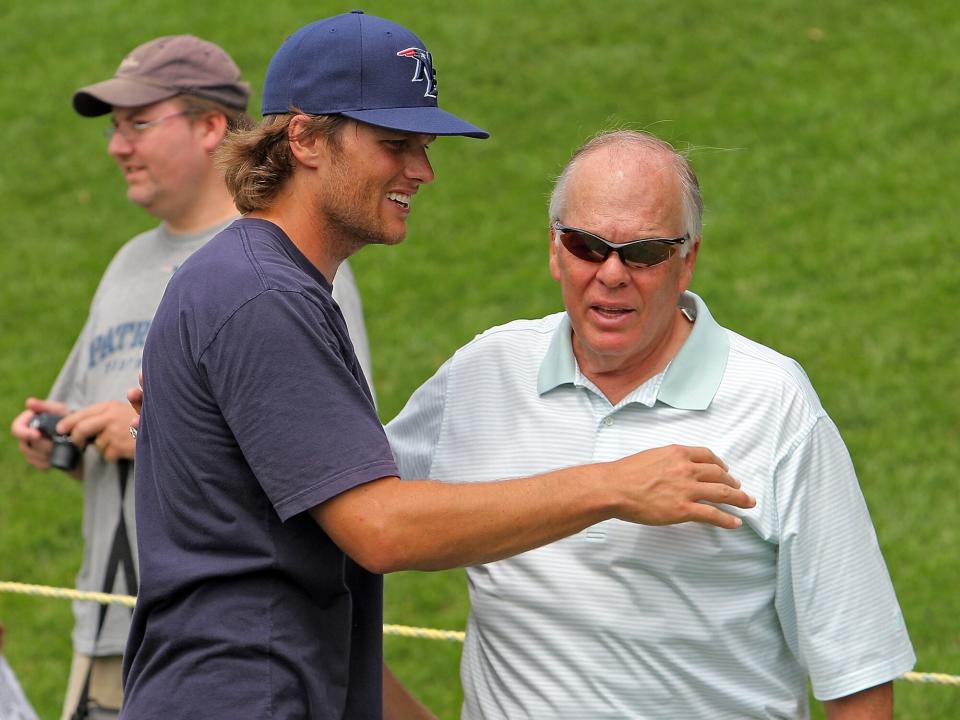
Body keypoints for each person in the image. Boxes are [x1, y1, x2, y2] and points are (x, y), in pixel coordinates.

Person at [120, 12, 755, 720]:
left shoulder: (262, 286)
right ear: (303, 137)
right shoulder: (263, 295)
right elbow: (383, 529)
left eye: (423, 145)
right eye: (395, 144)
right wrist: (613, 485)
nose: (422, 170)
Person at [385, 129, 917, 718]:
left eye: (643, 252)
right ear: (555, 251)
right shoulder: (485, 373)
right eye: (588, 246)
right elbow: (340, 522)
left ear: (686, 261)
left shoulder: (774, 403)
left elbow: (858, 675)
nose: (612, 274)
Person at [8, 34, 373, 720]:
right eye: (116, 128)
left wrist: (149, 434)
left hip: (228, 651)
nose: (118, 146)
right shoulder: (124, 265)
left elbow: (335, 462)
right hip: (114, 633)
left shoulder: (285, 270)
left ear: (211, 127)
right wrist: (65, 437)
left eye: (138, 123)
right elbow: (112, 433)